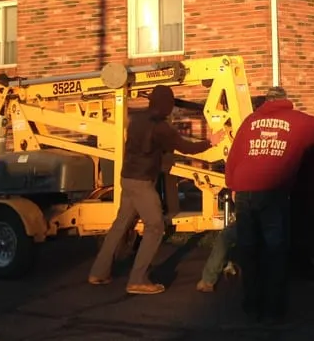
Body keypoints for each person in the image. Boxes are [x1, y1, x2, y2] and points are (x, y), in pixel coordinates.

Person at [88, 84, 223, 294]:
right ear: (166, 105)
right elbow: (186, 147)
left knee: (120, 225)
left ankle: (98, 272)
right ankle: (138, 279)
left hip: (127, 178)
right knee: (155, 226)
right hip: (142, 183)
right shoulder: (161, 127)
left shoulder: (136, 120)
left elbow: (154, 145)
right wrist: (210, 142)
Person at [224, 85, 314, 323]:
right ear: (285, 100)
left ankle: (251, 306)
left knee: (248, 248)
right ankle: (273, 310)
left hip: (244, 189)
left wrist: (231, 184)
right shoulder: (297, 120)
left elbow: (234, 156)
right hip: (273, 190)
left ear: (266, 101)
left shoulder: (250, 121)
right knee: (275, 250)